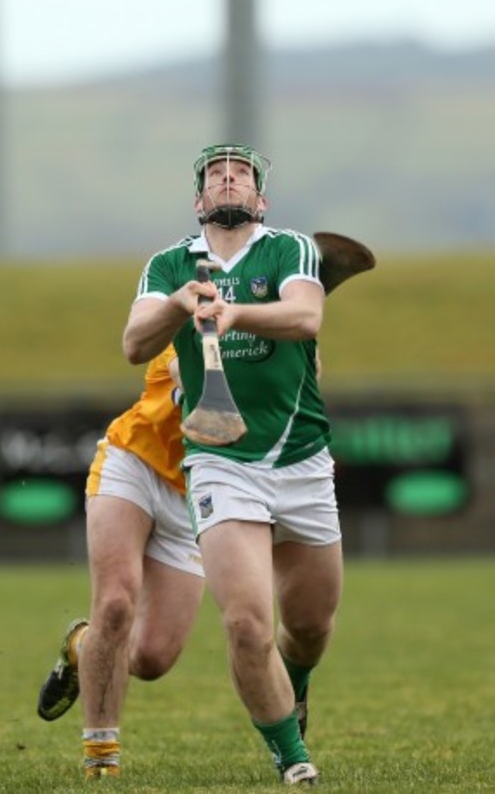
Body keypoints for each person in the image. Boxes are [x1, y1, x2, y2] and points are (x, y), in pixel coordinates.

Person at [122, 144, 344, 786]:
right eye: (215, 175)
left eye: (241, 174)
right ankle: (292, 758)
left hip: (301, 457)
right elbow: (135, 343)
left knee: (308, 627)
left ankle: (294, 685)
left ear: (260, 200)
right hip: (219, 458)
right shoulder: (168, 265)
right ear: (198, 202)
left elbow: (306, 315)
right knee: (249, 622)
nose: (228, 179)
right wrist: (179, 305)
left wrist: (233, 310)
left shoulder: (289, 250)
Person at [36, 345, 204, 780]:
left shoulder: (268, 323)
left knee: (152, 658)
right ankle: (101, 757)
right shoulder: (195, 316)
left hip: (189, 495)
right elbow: (188, 370)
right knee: (114, 603)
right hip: (132, 464)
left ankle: (81, 647)